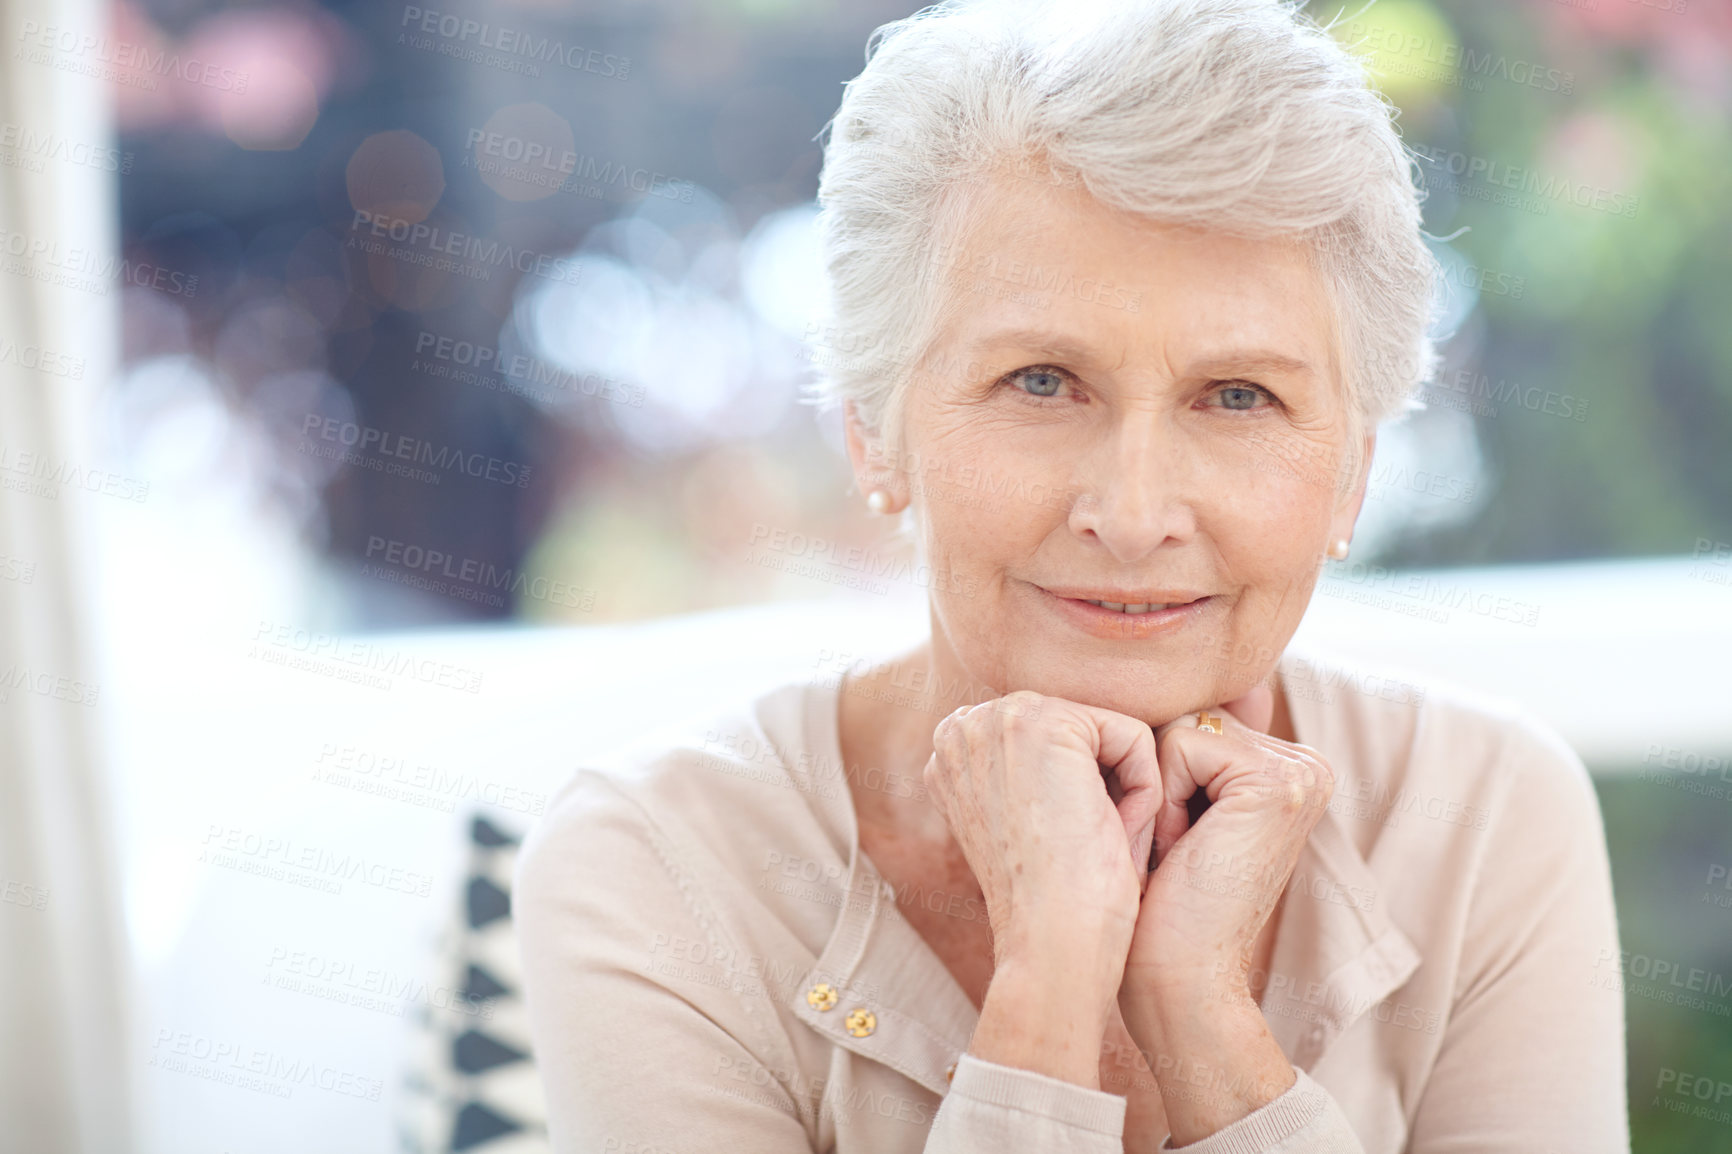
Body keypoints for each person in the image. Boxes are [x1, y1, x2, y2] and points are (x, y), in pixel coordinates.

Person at [514, 1, 1629, 1149]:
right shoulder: (652, 863)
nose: (1135, 515)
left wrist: (1200, 1017)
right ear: (871, 434)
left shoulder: (1486, 810)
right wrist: (1047, 986)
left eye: (1238, 395)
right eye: (1042, 381)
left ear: (1350, 475)